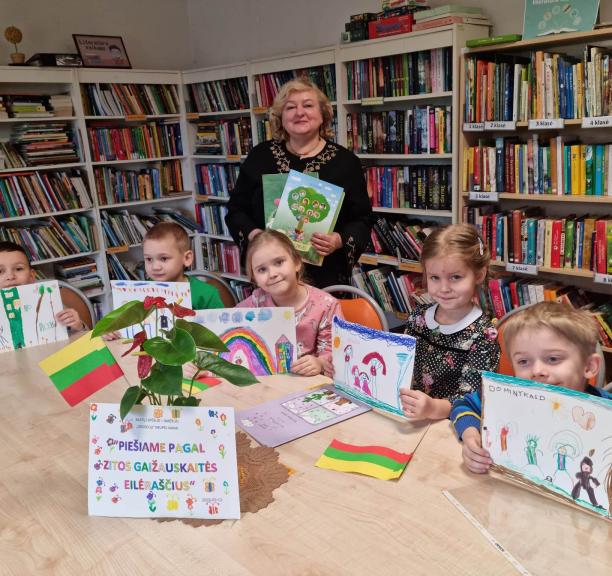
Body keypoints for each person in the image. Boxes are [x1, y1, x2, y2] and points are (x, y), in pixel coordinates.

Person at [225, 77, 372, 288]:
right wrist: (254, 235)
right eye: (290, 107)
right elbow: (236, 210)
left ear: (323, 115)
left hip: (325, 276)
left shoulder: (345, 162)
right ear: (280, 117)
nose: (299, 112)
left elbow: (363, 219)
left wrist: (338, 239)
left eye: (308, 105)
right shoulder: (260, 156)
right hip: (271, 275)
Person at [452, 302, 610, 474]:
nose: (537, 371)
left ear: (588, 366)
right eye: (524, 362)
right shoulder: (507, 397)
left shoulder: (606, 411)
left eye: (553, 359)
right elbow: (462, 405)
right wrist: (470, 436)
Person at [399, 224, 500, 420]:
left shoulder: (483, 335)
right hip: (411, 417)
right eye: (435, 277)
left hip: (454, 426)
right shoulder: (418, 317)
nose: (444, 288)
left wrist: (433, 408)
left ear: (479, 275)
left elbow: (473, 399)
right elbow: (403, 366)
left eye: (455, 277)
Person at [237, 229, 342, 376]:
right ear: (254, 279)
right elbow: (229, 331)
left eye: (279, 262)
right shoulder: (255, 302)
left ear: (297, 262)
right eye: (262, 269)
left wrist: (319, 363)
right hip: (270, 384)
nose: (272, 274)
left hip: (311, 384)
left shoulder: (327, 305)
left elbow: (335, 353)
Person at [0, 241, 86, 331]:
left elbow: (82, 336)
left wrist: (78, 326)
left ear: (31, 276)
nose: (10, 277)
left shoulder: (49, 302)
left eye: (18, 269)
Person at [143, 222, 223, 309]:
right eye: (149, 259)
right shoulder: (143, 290)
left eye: (164, 258)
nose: (155, 267)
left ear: (187, 258)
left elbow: (220, 321)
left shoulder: (207, 294)